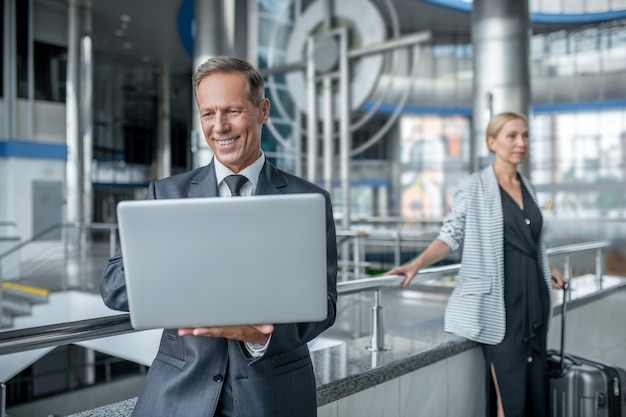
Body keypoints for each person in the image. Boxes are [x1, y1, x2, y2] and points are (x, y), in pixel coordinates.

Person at [100, 55, 338, 417]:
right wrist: (190, 266)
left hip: (272, 396)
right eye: (208, 113)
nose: (220, 126)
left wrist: (260, 335)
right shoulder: (166, 195)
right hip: (177, 395)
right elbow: (114, 286)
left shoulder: (308, 200)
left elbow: (324, 303)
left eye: (232, 111)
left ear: (263, 110)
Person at [385, 111, 566, 417]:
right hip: (502, 309)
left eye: (525, 135)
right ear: (492, 142)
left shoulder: (528, 186)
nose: (521, 143)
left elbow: (530, 239)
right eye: (512, 136)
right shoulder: (475, 186)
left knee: (537, 393)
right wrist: (417, 264)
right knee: (509, 401)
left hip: (535, 303)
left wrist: (546, 266)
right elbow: (451, 233)